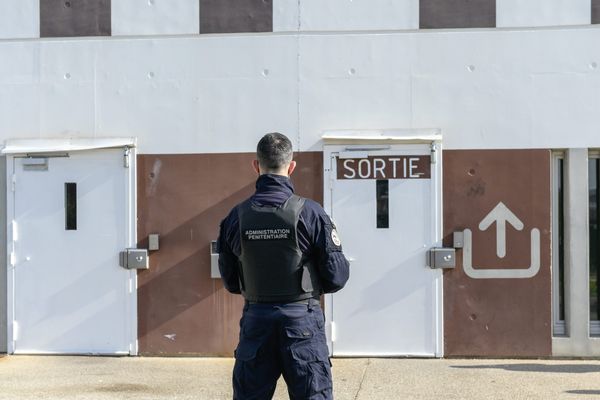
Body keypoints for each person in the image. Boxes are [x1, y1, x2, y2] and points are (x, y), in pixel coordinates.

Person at [217, 132, 350, 400]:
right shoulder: (312, 213)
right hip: (302, 322)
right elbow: (336, 277)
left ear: (256, 166)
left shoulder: (235, 217)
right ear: (291, 167)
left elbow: (231, 282)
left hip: (256, 322)